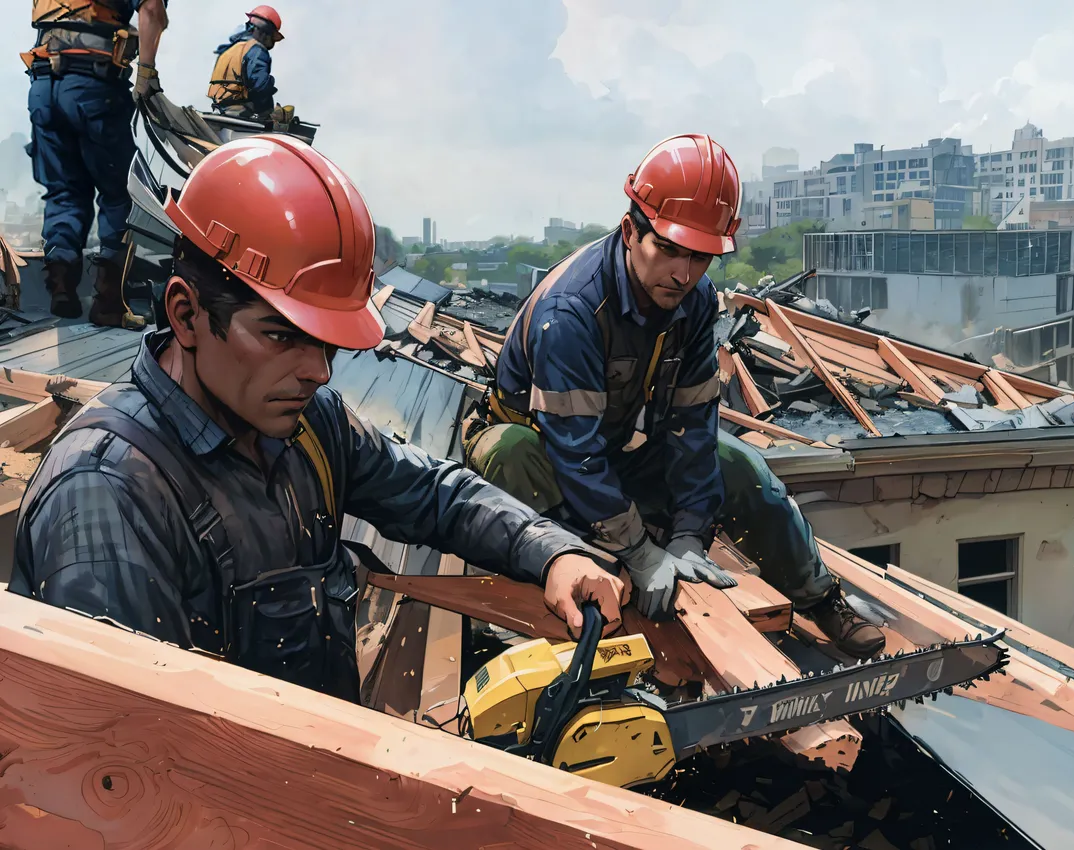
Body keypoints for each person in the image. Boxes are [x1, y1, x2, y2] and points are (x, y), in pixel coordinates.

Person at [10, 135, 626, 703]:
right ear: (186, 313)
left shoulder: (308, 424)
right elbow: (133, 765)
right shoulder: (108, 492)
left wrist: (550, 552)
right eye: (282, 335)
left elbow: (434, 493)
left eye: (327, 344)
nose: (319, 372)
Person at [464, 134, 887, 659]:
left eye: (701, 257)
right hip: (541, 455)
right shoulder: (571, 312)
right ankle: (574, 598)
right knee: (509, 455)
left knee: (741, 464)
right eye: (666, 249)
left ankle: (821, 599)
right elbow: (575, 451)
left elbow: (693, 426)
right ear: (629, 232)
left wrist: (689, 532)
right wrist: (640, 553)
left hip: (611, 451)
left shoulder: (695, 302)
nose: (683, 274)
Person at [23, 0, 169, 329]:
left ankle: (61, 287)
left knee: (63, 191)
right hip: (94, 84)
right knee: (118, 194)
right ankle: (108, 305)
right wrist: (145, 75)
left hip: (43, 84)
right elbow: (151, 12)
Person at [208, 5, 283, 121]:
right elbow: (260, 87)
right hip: (241, 112)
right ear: (265, 33)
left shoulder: (229, 50)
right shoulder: (257, 50)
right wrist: (269, 114)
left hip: (221, 110)